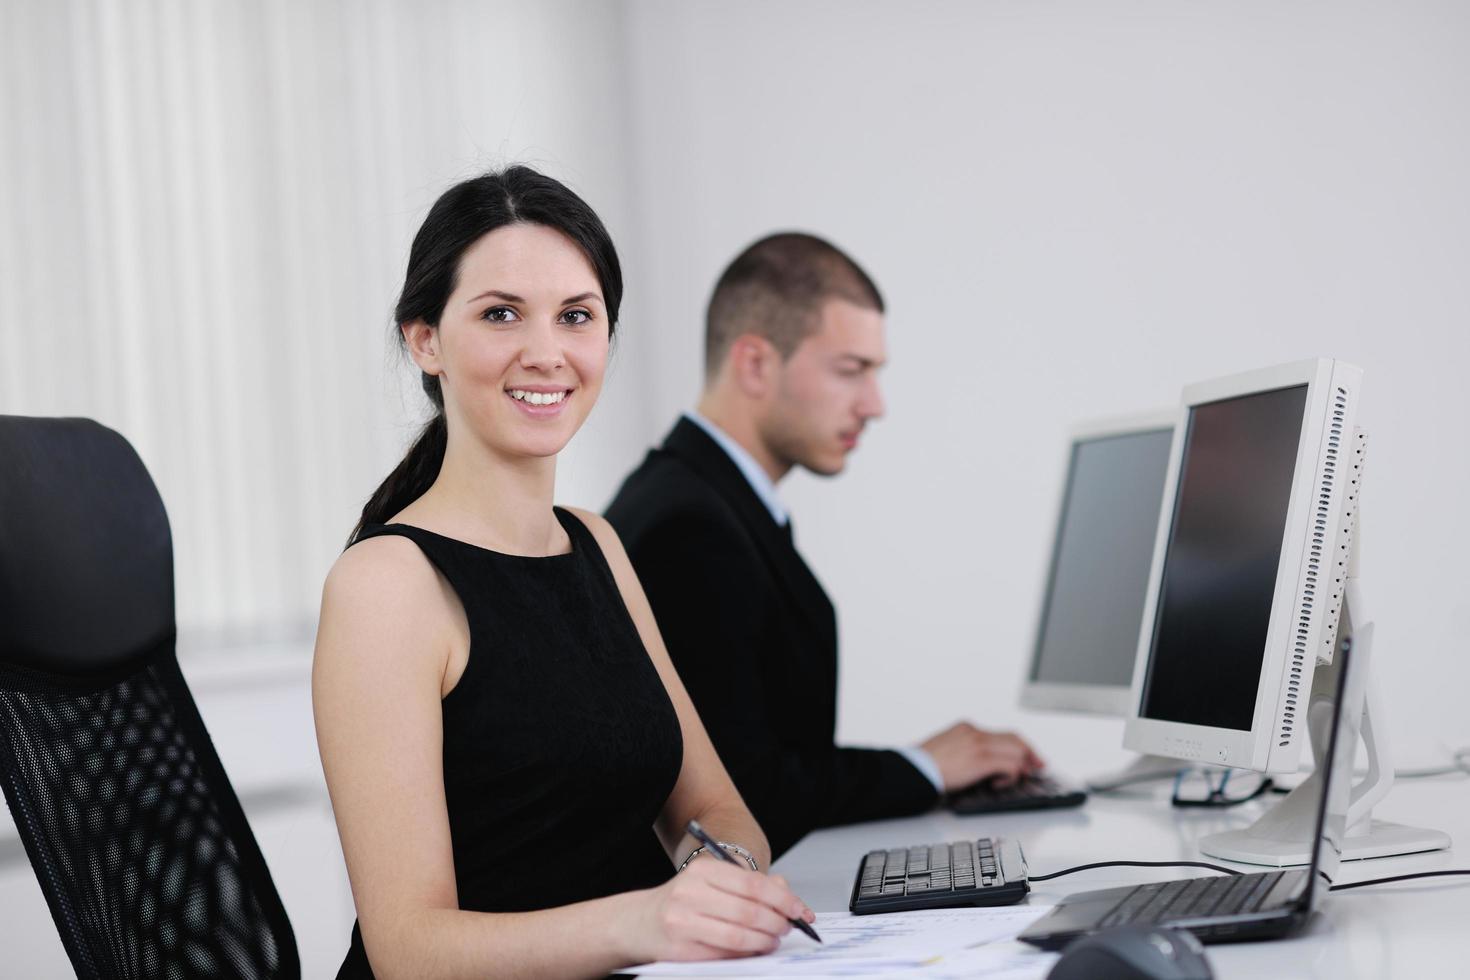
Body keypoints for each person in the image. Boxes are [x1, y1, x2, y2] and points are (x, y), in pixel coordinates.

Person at [312, 168, 816, 979]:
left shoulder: (597, 545)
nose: (546, 353)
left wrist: (720, 885)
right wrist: (648, 921)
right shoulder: (388, 585)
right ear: (424, 339)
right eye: (501, 313)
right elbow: (407, 948)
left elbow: (717, 810)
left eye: (577, 317)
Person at [605, 233, 1045, 859]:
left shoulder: (700, 496)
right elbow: (742, 793)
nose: (875, 405)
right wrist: (923, 767)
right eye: (851, 371)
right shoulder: (691, 527)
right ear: (755, 363)